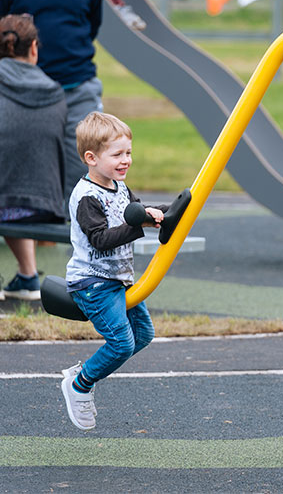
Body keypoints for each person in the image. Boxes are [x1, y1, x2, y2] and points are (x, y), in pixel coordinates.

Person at [60, 112, 167, 431]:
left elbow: (136, 212)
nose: (126, 161)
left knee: (143, 336)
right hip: (92, 282)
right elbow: (101, 239)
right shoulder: (87, 197)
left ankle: (84, 374)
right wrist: (137, 226)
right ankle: (80, 383)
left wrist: (157, 216)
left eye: (129, 153)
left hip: (118, 279)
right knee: (121, 343)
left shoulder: (119, 187)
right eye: (117, 155)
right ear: (91, 158)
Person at [0, 0, 103, 201]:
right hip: (24, 95)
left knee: (87, 172)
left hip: (77, 87)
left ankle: (80, 233)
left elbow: (92, 24)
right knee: (26, 175)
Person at [0, 13, 67, 301]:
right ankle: (28, 275)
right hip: (44, 205)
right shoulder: (56, 92)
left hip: (5, 201)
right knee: (17, 185)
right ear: (34, 48)